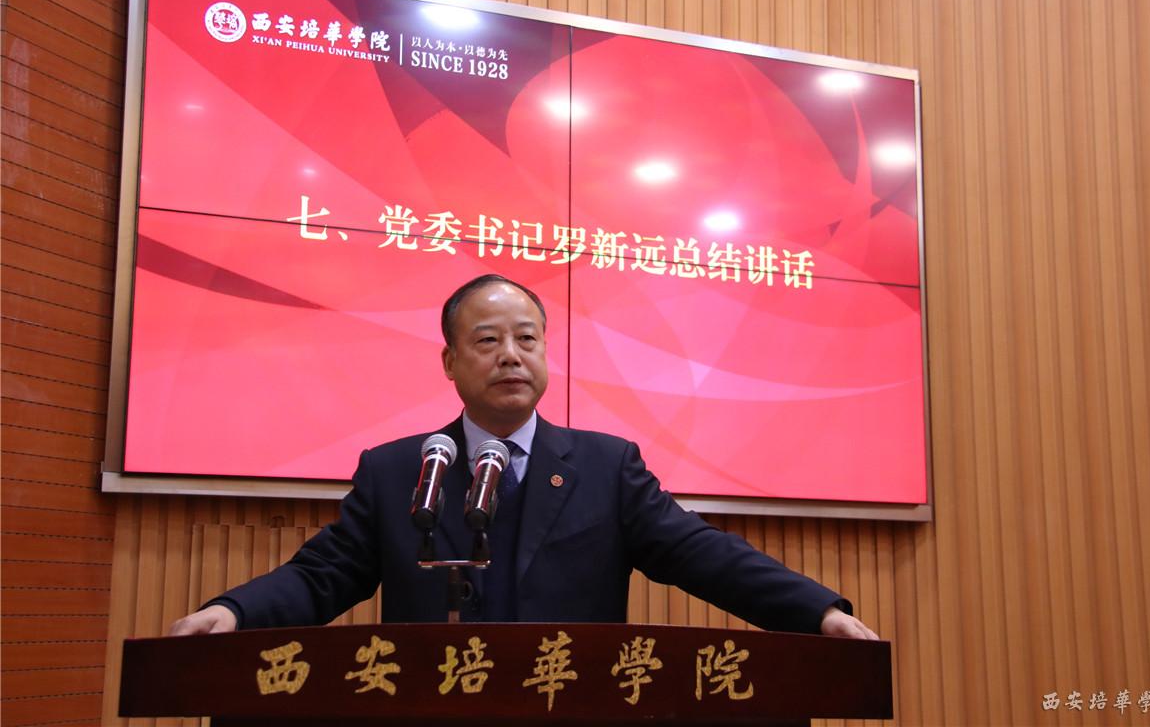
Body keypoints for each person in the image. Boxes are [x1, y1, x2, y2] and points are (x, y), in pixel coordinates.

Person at [170, 274, 878, 640]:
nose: (510, 355)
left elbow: (703, 555)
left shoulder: (607, 467)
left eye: (527, 339)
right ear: (450, 361)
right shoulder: (399, 471)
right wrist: (234, 612)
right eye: (487, 340)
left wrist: (817, 612)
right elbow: (322, 575)